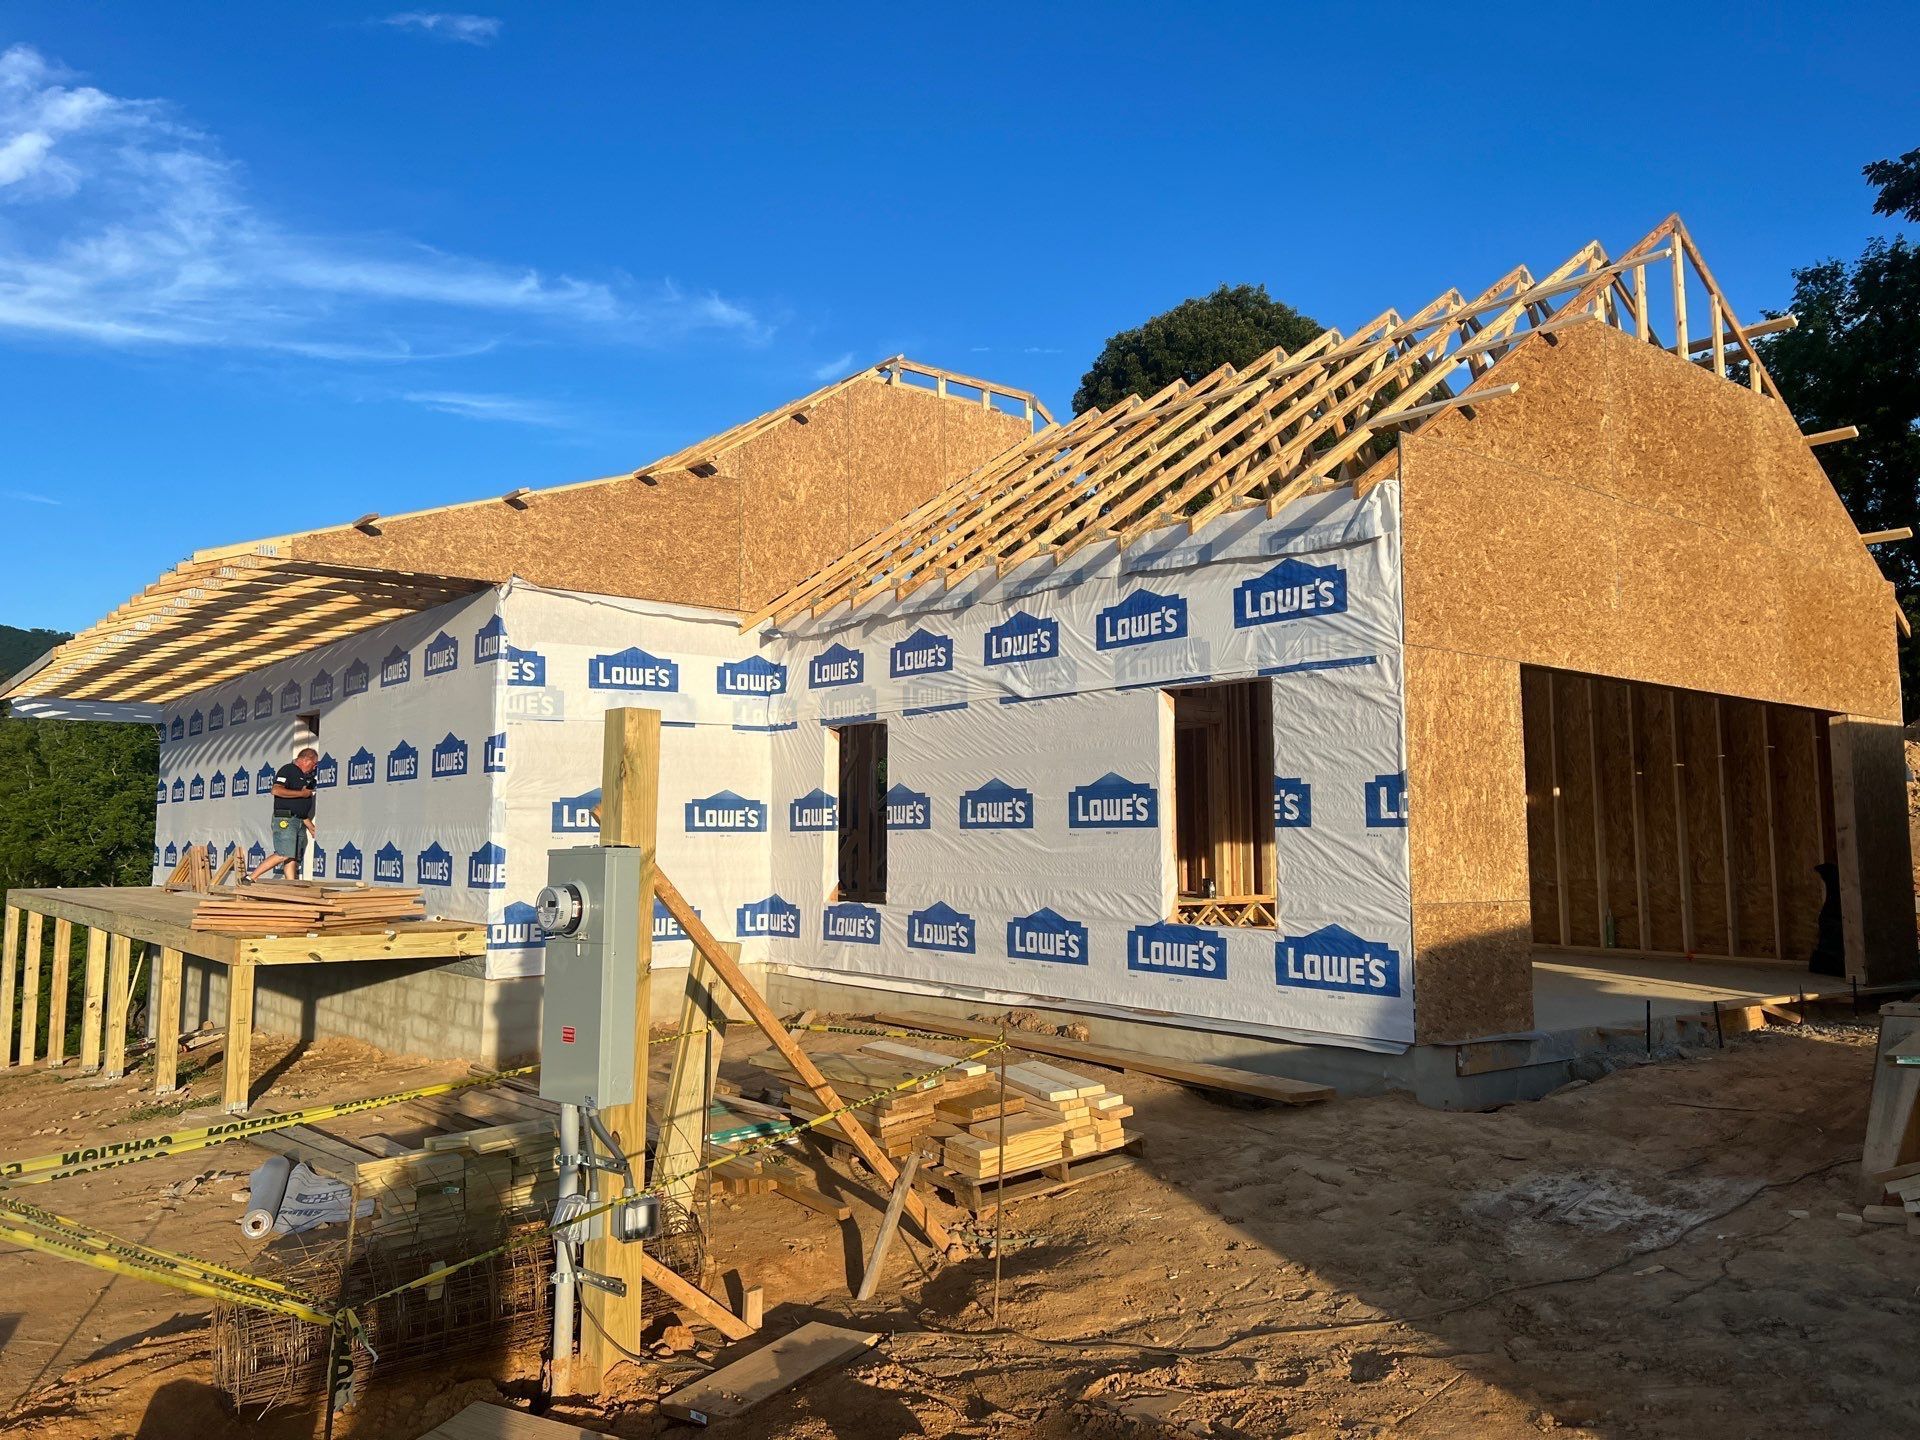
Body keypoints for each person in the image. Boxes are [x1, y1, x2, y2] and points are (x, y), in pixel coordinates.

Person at [247, 747, 319, 882]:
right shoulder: (288, 770)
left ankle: (291, 886)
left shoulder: (304, 777)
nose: (314, 767)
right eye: (314, 764)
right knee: (283, 854)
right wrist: (302, 794)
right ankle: (250, 878)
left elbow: (298, 807)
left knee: (291, 856)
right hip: (285, 819)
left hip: (298, 820)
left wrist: (309, 825)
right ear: (305, 760)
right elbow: (275, 790)